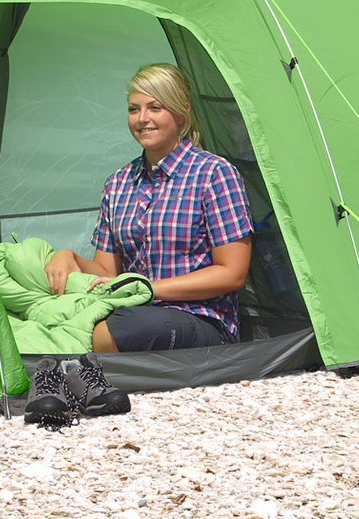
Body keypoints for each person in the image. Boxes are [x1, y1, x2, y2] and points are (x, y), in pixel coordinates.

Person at [44, 63, 253, 352]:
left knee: (121, 328)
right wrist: (69, 259)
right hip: (133, 309)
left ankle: (81, 370)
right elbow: (107, 271)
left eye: (155, 107)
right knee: (48, 309)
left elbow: (233, 273)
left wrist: (149, 289)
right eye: (133, 109)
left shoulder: (214, 174)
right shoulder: (118, 183)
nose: (142, 119)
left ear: (181, 114)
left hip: (200, 319)